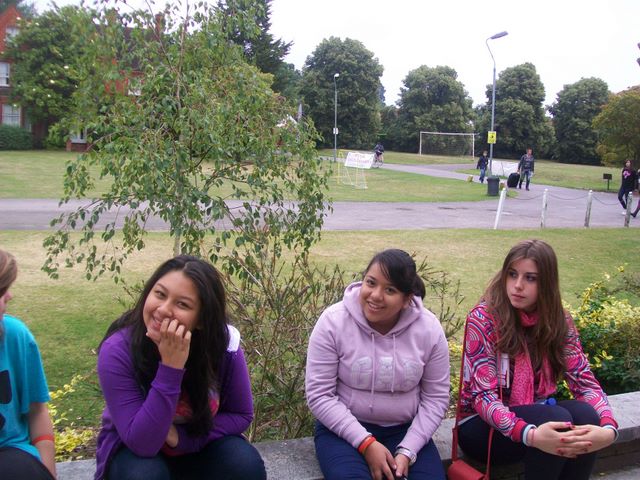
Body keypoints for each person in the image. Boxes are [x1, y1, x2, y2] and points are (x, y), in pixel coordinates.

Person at [456, 239, 618, 480]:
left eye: (530, 278)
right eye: (512, 274)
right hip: (482, 427)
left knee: (586, 416)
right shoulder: (484, 319)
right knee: (556, 421)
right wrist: (530, 434)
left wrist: (608, 428)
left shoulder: (558, 321)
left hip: (536, 415)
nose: (517, 285)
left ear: (547, 283)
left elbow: (584, 382)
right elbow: (483, 397)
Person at [94, 255, 266, 480]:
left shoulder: (223, 346)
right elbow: (142, 443)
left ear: (202, 319)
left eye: (182, 304)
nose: (164, 309)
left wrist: (184, 439)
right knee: (145, 476)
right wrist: (171, 367)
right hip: (135, 452)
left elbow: (240, 414)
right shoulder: (118, 350)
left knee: (244, 465)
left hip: (198, 444)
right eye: (160, 294)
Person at [305, 249, 450, 480]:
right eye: (371, 283)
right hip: (342, 431)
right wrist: (366, 443)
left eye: (390, 290)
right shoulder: (333, 322)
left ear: (407, 299)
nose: (375, 295)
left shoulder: (429, 329)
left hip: (406, 431)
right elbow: (319, 394)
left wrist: (408, 451)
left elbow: (436, 398)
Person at [0, 249, 56, 480]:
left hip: (12, 458)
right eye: (1, 291)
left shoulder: (15, 336)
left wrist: (48, 472)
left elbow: (37, 411)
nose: (9, 296)